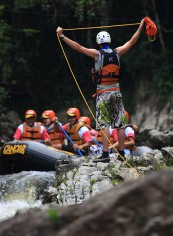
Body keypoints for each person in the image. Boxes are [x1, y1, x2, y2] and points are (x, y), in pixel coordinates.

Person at [56, 18, 145, 162]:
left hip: (103, 94)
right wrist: (141, 27)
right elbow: (132, 41)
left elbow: (78, 47)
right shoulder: (117, 52)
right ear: (109, 40)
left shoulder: (96, 54)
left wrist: (62, 36)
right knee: (120, 124)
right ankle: (122, 153)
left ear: (99, 42)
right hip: (116, 92)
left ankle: (105, 155)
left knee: (104, 124)